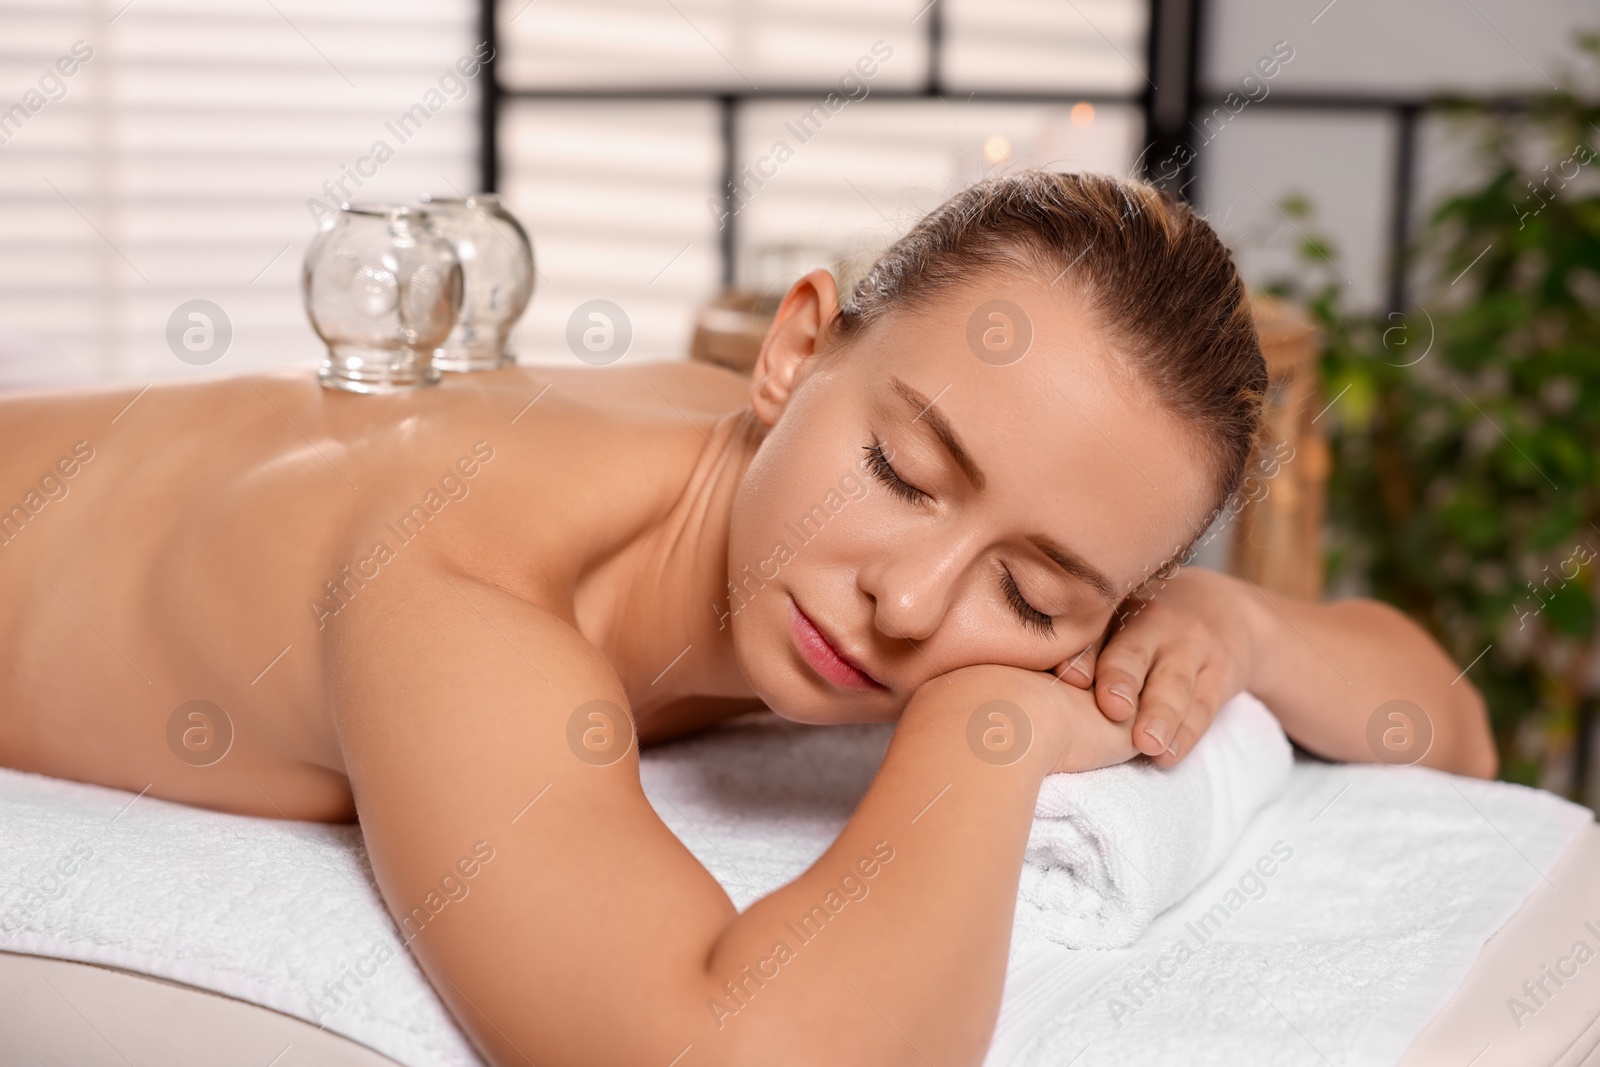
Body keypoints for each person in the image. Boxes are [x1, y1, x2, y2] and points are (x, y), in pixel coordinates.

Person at [0, 170, 1496, 1065]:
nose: (911, 604)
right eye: (903, 474)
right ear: (793, 351)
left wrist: (1240, 629)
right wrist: (983, 740)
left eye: (1035, 592)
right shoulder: (451, 578)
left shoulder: (868, 490)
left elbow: (1450, 730)